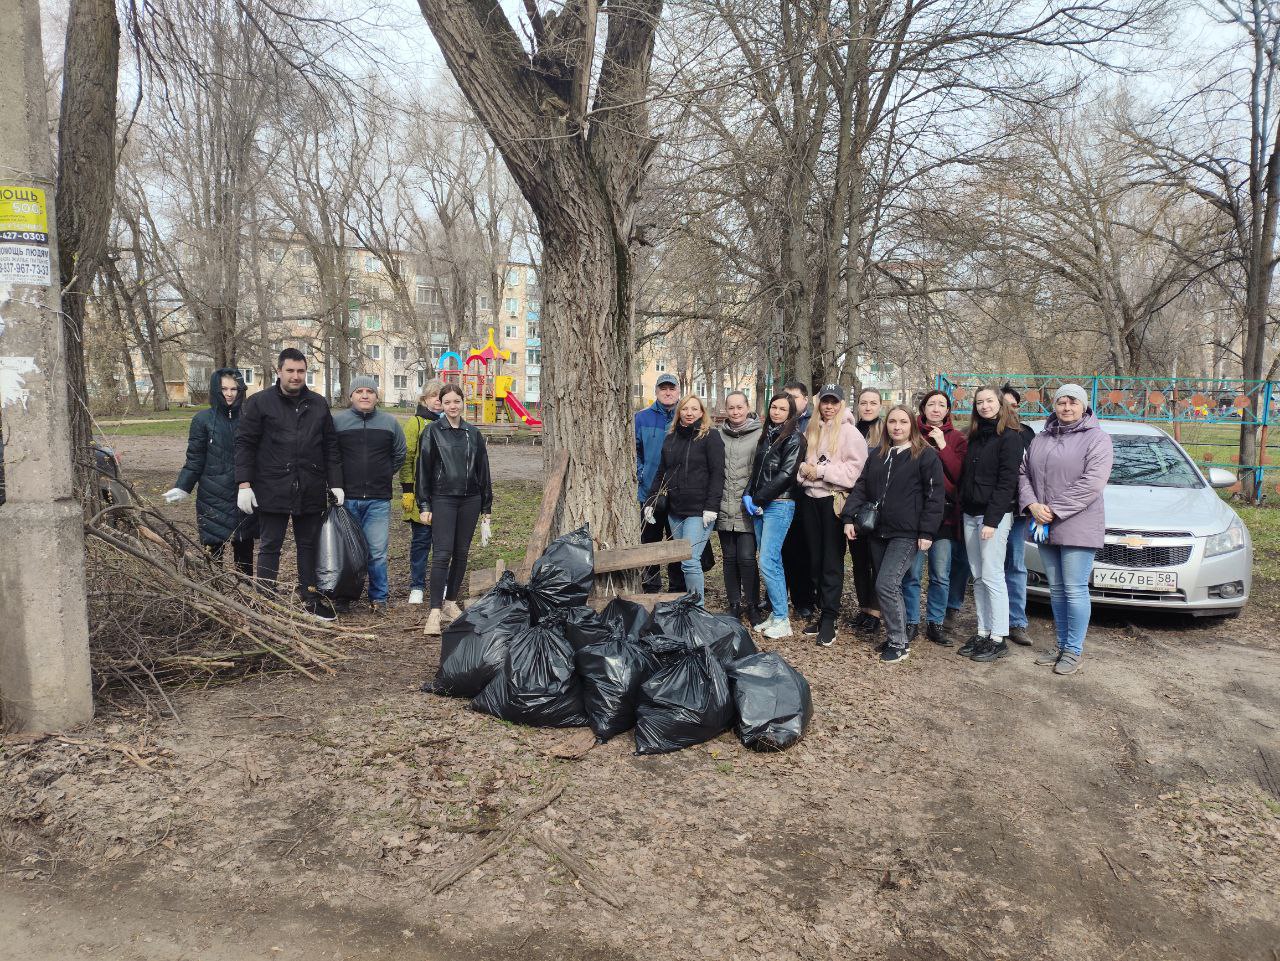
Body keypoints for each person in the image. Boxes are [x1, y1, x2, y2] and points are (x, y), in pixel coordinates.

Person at [234, 348, 343, 621]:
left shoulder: (318, 403)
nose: (296, 376)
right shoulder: (260, 403)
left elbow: (330, 445)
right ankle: (267, 601)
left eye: (301, 371)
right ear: (279, 371)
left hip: (310, 484)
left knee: (308, 545)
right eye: (291, 371)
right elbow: (245, 444)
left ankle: (310, 598)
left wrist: (336, 483)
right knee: (271, 544)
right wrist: (244, 484)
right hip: (272, 486)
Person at [1019, 384, 1113, 675]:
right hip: (1044, 524)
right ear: (1055, 405)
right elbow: (1024, 473)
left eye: (1073, 402)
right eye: (1062, 402)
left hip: (1077, 524)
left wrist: (1053, 509)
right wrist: (1033, 505)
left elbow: (1092, 482)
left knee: (1074, 589)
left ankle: (1073, 650)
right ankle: (1061, 645)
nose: (1067, 407)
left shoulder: (1097, 439)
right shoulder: (1041, 438)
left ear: (1084, 406)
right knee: (1056, 590)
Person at [841, 406, 945, 663]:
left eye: (903, 422)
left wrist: (927, 532)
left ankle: (899, 643)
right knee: (889, 585)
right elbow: (861, 487)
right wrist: (848, 517)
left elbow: (935, 497)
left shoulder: (925, 455)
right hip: (877, 530)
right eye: (892, 422)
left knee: (886, 583)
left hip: (907, 533)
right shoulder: (877, 454)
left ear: (912, 425)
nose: (897, 427)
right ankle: (895, 637)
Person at [164, 368, 259, 575]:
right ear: (216, 389)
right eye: (224, 388)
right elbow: (195, 458)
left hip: (244, 491)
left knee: (244, 547)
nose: (229, 393)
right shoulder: (203, 420)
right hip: (212, 495)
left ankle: (244, 595)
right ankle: (216, 593)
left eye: (234, 388)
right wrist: (183, 486)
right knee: (213, 551)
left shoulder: (250, 418)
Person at [956, 385, 1025, 662]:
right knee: (979, 576)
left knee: (994, 575)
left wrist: (993, 520)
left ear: (1000, 403)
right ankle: (983, 630)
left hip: (993, 517)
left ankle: (998, 636)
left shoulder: (1010, 437)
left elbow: (1007, 483)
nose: (984, 406)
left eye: (989, 401)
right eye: (980, 402)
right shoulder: (974, 436)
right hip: (970, 514)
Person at [418, 382, 493, 636]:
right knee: (441, 554)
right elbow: (423, 471)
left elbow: (484, 471)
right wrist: (424, 504)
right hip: (443, 499)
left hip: (470, 500)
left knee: (461, 553)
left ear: (463, 403)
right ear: (441, 404)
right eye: (447, 401)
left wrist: (486, 505)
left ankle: (451, 602)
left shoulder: (474, 433)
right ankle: (435, 611)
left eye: (456, 401)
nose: (452, 406)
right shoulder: (432, 432)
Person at [797, 384, 869, 648]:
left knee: (830, 561)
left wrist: (823, 473)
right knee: (814, 560)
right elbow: (804, 463)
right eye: (825, 402)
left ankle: (830, 617)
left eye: (833, 402)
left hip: (832, 503)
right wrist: (804, 472)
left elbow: (856, 471)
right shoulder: (813, 428)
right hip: (810, 500)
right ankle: (822, 609)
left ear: (841, 404)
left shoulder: (850, 432)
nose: (828, 407)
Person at [333, 375, 406, 614]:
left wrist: (384, 474)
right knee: (346, 551)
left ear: (377, 396)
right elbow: (331, 455)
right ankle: (343, 596)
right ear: (351, 395)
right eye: (359, 391)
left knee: (377, 552)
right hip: (346, 499)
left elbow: (399, 454)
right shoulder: (338, 422)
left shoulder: (389, 423)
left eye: (370, 391)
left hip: (378, 499)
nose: (365, 395)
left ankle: (379, 598)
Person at [899, 389, 967, 647]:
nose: (936, 409)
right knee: (912, 573)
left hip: (945, 518)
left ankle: (936, 623)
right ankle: (911, 621)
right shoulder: (911, 433)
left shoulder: (958, 439)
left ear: (948, 410)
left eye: (942, 405)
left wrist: (943, 446)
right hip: (914, 516)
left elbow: (958, 476)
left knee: (940, 573)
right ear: (923, 408)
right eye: (931, 404)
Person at [646, 393, 725, 604]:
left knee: (690, 561)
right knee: (682, 560)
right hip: (675, 511)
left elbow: (718, 473)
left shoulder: (710, 436)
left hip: (699, 511)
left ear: (701, 412)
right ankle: (688, 602)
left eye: (694, 409)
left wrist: (712, 506)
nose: (689, 413)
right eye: (685, 409)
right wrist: (650, 501)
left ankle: (696, 608)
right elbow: (662, 472)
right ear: (679, 412)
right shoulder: (671, 438)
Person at [745, 393, 805, 639]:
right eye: (773, 407)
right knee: (770, 561)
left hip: (779, 504)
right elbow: (757, 470)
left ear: (791, 413)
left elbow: (786, 475)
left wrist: (759, 499)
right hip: (760, 505)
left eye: (782, 408)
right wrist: (749, 495)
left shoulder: (794, 438)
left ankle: (782, 619)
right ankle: (777, 613)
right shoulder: (767, 436)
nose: (776, 412)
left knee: (768, 561)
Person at [716, 391, 763, 623]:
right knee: (729, 557)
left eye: (739, 407)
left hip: (747, 506)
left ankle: (753, 604)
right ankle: (734, 604)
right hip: (724, 504)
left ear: (747, 407)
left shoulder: (759, 434)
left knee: (746, 557)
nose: (735, 412)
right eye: (731, 408)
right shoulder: (719, 435)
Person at [636, 373, 685, 593]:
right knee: (650, 541)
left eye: (671, 389)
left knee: (676, 541)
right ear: (656, 392)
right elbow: (633, 450)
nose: (667, 392)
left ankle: (677, 587)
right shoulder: (642, 418)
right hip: (650, 492)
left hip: (679, 494)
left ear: (678, 392)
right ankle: (651, 586)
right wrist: (641, 472)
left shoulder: (686, 417)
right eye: (663, 388)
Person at [1001, 384, 1038, 646]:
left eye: (1012, 405)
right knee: (984, 568)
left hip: (1016, 511)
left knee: (1014, 564)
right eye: (1003, 405)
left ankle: (1016, 622)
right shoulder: (982, 432)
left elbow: (1034, 472)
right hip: (988, 511)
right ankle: (990, 622)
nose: (1007, 410)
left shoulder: (1027, 434)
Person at [402, 381, 443, 605]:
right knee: (421, 541)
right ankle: (417, 586)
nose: (437, 400)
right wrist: (408, 490)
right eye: (433, 396)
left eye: (441, 396)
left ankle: (442, 584)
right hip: (421, 495)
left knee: (443, 543)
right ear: (424, 399)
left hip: (445, 496)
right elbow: (406, 458)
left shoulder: (449, 422)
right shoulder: (416, 423)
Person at [850, 387, 884, 633]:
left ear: (880, 406)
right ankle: (863, 608)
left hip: (878, 506)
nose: (868, 407)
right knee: (859, 561)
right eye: (864, 403)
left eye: (873, 403)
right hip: (855, 503)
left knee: (877, 562)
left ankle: (876, 611)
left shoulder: (887, 434)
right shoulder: (851, 432)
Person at [781, 381, 816, 620]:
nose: (790, 402)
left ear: (805, 399)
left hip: (806, 493)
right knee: (781, 549)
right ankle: (779, 594)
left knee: (802, 550)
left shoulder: (813, 423)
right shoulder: (779, 421)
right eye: (787, 397)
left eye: (795, 397)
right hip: (782, 494)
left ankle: (804, 599)